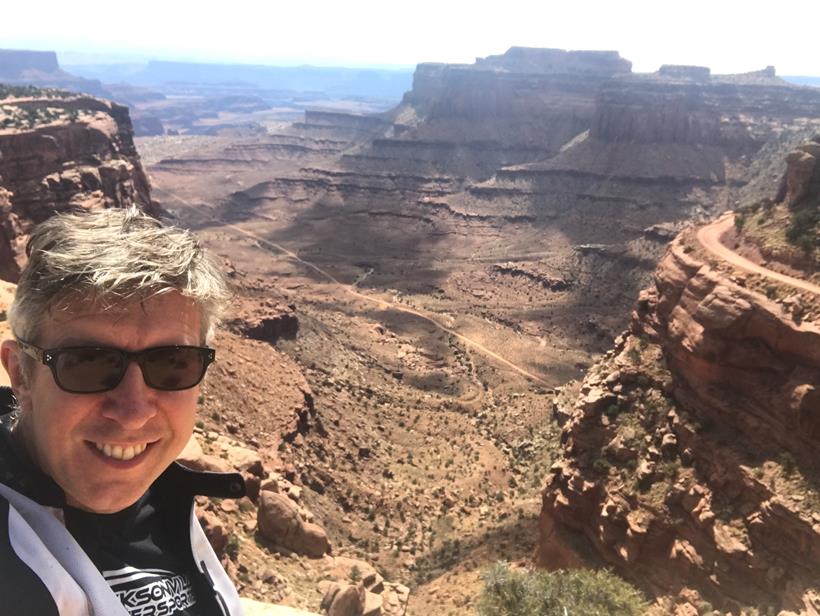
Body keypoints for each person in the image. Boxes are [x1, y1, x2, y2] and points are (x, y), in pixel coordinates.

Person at [0, 207, 245, 615]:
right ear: (19, 373)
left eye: (172, 363)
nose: (133, 413)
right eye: (87, 363)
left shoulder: (167, 500)